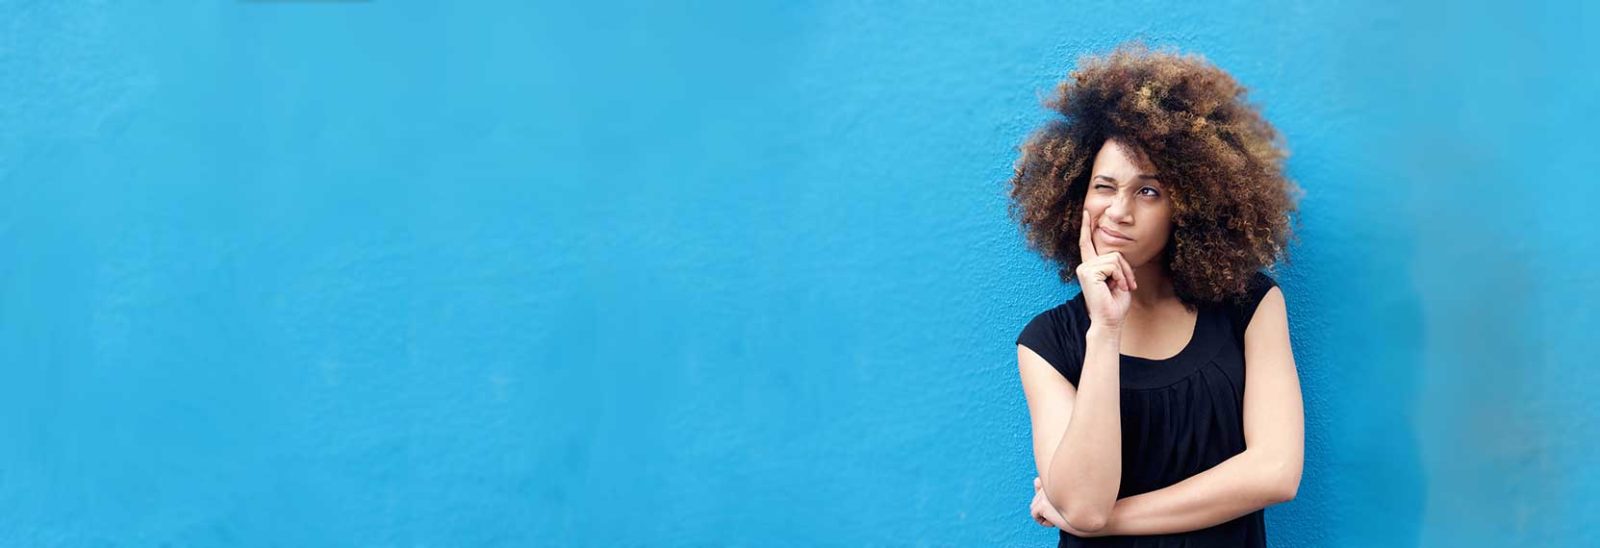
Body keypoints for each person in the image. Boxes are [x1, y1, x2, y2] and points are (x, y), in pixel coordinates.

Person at [1009, 42, 1305, 547]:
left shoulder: (1249, 306)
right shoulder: (1047, 344)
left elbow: (1276, 472)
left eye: (1148, 191)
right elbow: (1082, 503)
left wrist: (1103, 519)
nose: (1118, 211)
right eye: (1104, 186)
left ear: (1189, 207)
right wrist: (1104, 330)